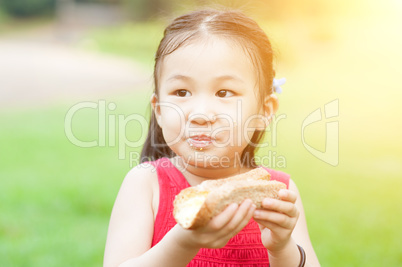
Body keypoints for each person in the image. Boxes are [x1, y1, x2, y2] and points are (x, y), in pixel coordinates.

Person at [104, 8, 320, 267]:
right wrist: (183, 242)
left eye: (224, 92)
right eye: (182, 92)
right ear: (159, 110)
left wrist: (282, 247)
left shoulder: (279, 191)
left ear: (264, 111)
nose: (201, 114)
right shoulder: (146, 184)